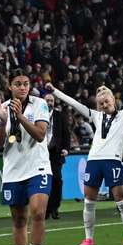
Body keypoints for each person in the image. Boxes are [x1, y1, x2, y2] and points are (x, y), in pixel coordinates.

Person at [47, 76, 123, 245]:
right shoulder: (95, 116)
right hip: (94, 161)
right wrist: (55, 92)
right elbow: (74, 103)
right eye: (101, 103)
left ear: (113, 100)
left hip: (113, 162)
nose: (104, 105)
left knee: (121, 201)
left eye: (106, 101)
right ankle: (89, 239)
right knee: (89, 201)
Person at [0, 69, 51, 245]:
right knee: (18, 219)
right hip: (13, 170)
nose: (23, 87)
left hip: (38, 167)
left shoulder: (40, 104)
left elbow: (40, 135)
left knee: (37, 212)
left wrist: (19, 117)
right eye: (17, 83)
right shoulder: (2, 108)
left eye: (26, 83)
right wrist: (2, 121)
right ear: (10, 86)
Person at [45, 91, 70, 220]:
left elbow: (66, 134)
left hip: (56, 154)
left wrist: (66, 148)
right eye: (47, 100)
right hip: (41, 154)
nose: (49, 103)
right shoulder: (37, 116)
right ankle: (45, 209)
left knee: (56, 181)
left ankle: (54, 208)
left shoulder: (59, 116)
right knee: (43, 183)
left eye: (51, 101)